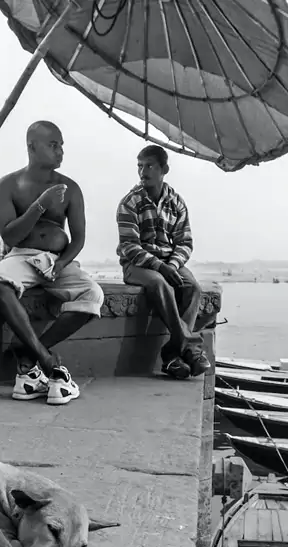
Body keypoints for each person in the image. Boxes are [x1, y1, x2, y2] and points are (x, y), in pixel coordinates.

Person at [0, 121, 103, 405]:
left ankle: (28, 351)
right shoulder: (6, 186)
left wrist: (61, 264)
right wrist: (41, 204)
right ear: (32, 147)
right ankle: (45, 359)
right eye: (53, 145)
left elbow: (79, 238)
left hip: (57, 261)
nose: (60, 151)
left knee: (93, 295)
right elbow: (10, 234)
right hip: (22, 255)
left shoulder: (70, 188)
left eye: (61, 145)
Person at [116, 145, 209, 380]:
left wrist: (173, 266)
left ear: (164, 169)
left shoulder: (176, 202)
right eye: (140, 166)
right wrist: (160, 267)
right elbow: (129, 246)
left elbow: (185, 242)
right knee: (160, 284)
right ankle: (191, 346)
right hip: (136, 265)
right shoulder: (130, 202)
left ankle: (172, 356)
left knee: (192, 288)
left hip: (169, 261)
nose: (142, 171)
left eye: (149, 166)